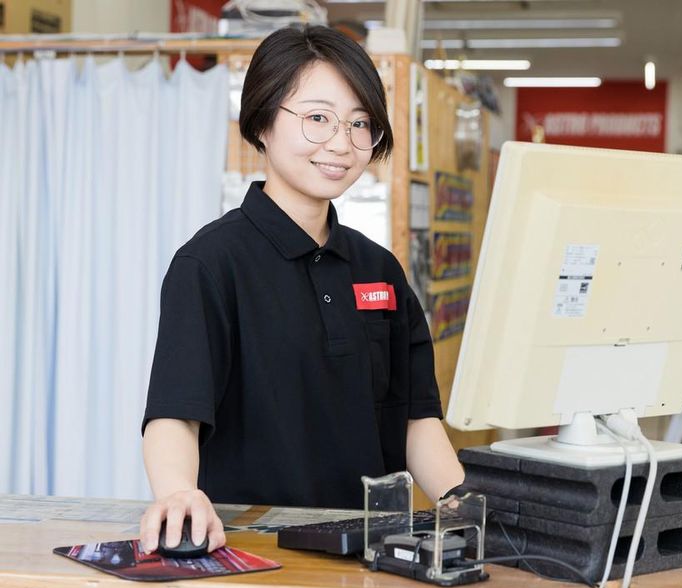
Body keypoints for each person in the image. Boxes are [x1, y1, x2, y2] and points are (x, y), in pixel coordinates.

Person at [138, 25, 465, 555]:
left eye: (361, 124)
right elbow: (176, 412)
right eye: (318, 118)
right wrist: (179, 494)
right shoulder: (210, 264)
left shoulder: (379, 270)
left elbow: (415, 419)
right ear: (263, 121)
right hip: (253, 554)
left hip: (373, 552)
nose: (342, 143)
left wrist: (462, 505)